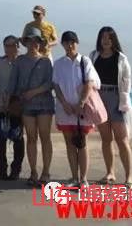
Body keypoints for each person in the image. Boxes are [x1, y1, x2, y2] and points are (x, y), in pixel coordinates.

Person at [90, 26, 132, 187]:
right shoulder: (93, 56)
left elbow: (127, 80)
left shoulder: (121, 58)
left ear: (114, 40)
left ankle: (129, 177)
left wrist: (124, 101)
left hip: (116, 98)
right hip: (99, 97)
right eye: (103, 37)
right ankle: (110, 172)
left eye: (109, 38)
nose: (106, 41)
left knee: (122, 140)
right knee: (106, 139)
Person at [53, 31, 101, 187]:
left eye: (72, 42)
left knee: (82, 143)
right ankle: (74, 177)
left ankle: (83, 178)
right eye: (66, 42)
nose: (70, 45)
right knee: (69, 143)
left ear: (77, 43)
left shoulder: (85, 61)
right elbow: (56, 85)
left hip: (82, 110)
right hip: (65, 109)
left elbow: (90, 83)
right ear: (62, 44)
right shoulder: (59, 64)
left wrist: (81, 103)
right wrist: (64, 103)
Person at [8, 27, 54, 187]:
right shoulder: (20, 61)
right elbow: (13, 82)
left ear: (40, 43)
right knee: (31, 138)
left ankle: (46, 172)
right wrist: (8, 101)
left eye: (36, 41)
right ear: (26, 42)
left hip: (44, 104)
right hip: (26, 105)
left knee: (45, 137)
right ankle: (33, 172)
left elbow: (50, 83)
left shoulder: (46, 61)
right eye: (30, 41)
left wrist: (34, 92)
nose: (33, 44)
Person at [0, 35, 25, 180]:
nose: (10, 48)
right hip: (0, 105)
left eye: (13, 45)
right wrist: (1, 103)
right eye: (7, 45)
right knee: (0, 139)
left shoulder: (23, 62)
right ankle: (2, 168)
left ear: (18, 46)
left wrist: (16, 102)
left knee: (18, 138)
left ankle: (16, 169)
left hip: (17, 106)